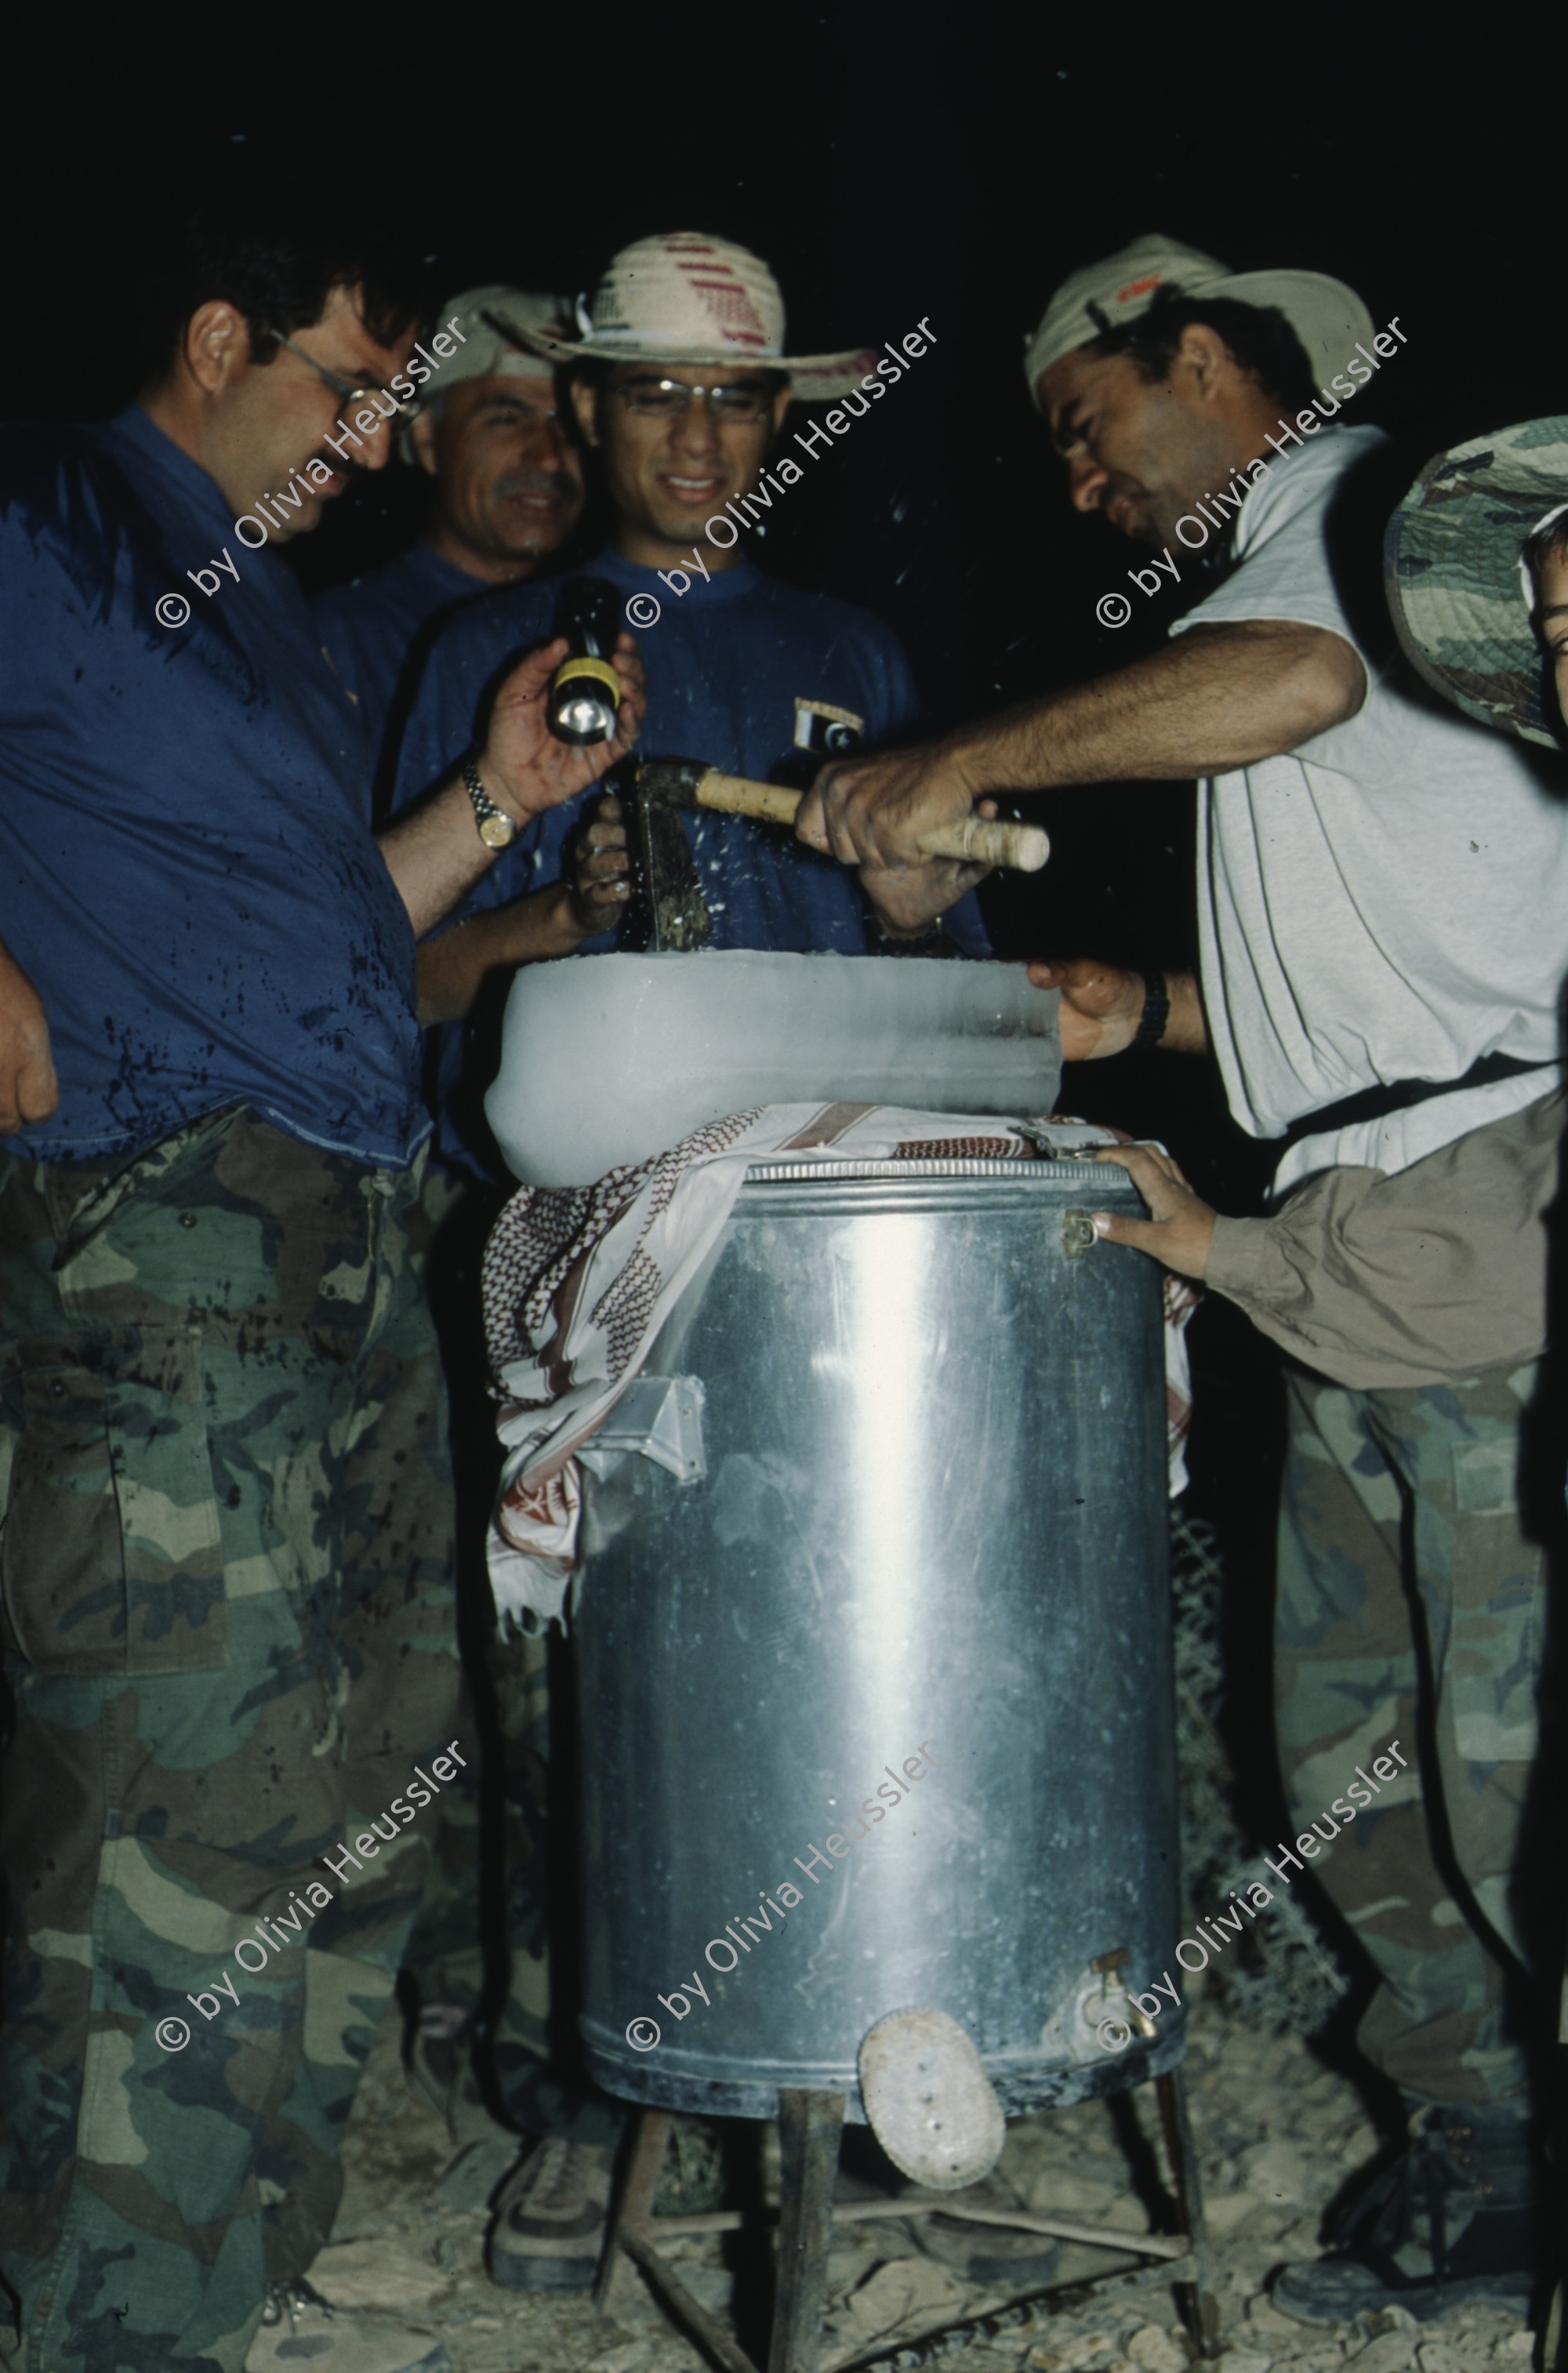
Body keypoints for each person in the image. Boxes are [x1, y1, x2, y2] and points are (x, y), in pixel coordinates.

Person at [793, 239, 1568, 2323]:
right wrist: (1146, 1008)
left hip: (1483, 1201)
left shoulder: (1365, 509)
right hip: (1342, 1219)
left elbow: (1294, 688)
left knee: (1517, 1767)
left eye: (1085, 427)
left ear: (1206, 361)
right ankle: (1484, 2152)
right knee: (1349, 1751)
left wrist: (961, 762)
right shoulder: (1274, 572)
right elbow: (1399, 956)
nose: (1081, 488)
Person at [0, 201, 643, 2373]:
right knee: (178, 1817)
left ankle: (248, 2258)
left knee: (367, 1783)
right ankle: (119, 2330)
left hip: (355, 1235)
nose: (378, 445)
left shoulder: (254, 603)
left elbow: (339, 929)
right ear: (219, 336)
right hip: (159, 1239)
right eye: (359, 390)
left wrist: (498, 795)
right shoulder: (57, 511)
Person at [386, 228, 994, 2292]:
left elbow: (949, 956)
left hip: (825, 1232)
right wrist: (564, 910)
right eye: (657, 393)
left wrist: (907, 893)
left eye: (737, 400)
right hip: (584, 1226)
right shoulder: (496, 651)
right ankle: (584, 2096)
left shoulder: (856, 648)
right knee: (585, 1665)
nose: (701, 436)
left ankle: (846, 2061)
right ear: (587, 407)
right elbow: (396, 972)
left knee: (843, 1640)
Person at [314, 285, 586, 796]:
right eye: (506, 419)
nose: (548, 456)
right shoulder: (345, 637)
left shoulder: (599, 621)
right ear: (427, 442)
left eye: (567, 425)